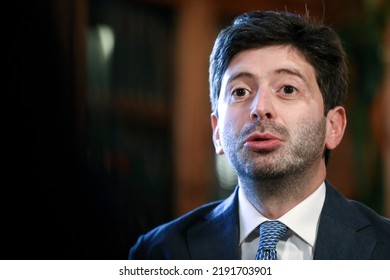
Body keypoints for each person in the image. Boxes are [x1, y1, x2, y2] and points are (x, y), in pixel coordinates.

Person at [129, 10, 390, 260]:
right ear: (217, 131)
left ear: (333, 126)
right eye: (240, 92)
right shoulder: (159, 253)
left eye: (288, 88)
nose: (260, 108)